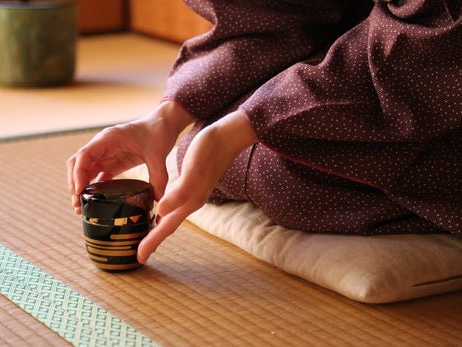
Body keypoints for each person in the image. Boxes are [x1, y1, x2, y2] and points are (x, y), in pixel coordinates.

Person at [67, 0, 462, 264]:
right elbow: (267, 15)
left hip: (433, 73)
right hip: (351, 44)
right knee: (202, 149)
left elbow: (431, 31)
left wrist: (242, 127)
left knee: (279, 177)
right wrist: (165, 119)